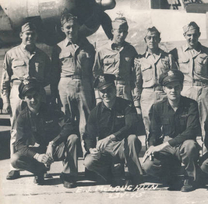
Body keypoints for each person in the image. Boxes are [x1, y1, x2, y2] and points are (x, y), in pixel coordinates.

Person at [1, 22, 51, 180]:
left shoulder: (43, 56)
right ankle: (13, 167)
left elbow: (48, 78)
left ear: (36, 36)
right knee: (16, 130)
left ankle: (41, 167)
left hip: (36, 94)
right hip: (17, 94)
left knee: (39, 131)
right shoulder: (11, 54)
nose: (30, 37)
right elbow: (5, 80)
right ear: (21, 35)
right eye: (27, 34)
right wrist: (6, 100)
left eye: (33, 34)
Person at [11, 78, 78, 188]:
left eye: (35, 95)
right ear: (23, 98)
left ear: (40, 95)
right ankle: (39, 171)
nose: (33, 100)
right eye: (29, 97)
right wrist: (37, 156)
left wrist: (54, 143)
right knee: (15, 159)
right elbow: (19, 144)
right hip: (39, 151)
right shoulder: (22, 117)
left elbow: (69, 124)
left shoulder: (50, 109)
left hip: (56, 148)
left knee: (73, 138)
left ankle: (68, 175)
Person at [142, 69, 201, 192]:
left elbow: (191, 130)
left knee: (190, 145)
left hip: (183, 144)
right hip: (167, 146)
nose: (173, 91)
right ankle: (169, 177)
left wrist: (164, 145)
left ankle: (190, 178)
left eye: (176, 87)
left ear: (181, 88)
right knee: (147, 165)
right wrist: (152, 146)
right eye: (169, 87)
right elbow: (153, 131)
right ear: (164, 89)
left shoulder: (191, 104)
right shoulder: (157, 107)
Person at [84, 74, 143, 187]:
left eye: (109, 90)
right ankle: (113, 174)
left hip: (123, 145)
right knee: (88, 161)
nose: (106, 94)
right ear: (99, 93)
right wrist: (91, 149)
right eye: (102, 91)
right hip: (106, 149)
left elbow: (131, 125)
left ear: (115, 89)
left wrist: (111, 137)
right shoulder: (95, 112)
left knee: (132, 138)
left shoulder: (126, 105)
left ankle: (134, 176)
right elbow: (88, 135)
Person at [52, 12, 96, 153]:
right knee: (67, 122)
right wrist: (54, 95)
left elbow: (93, 70)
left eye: (74, 26)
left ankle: (88, 154)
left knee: (86, 122)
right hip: (64, 84)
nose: (71, 30)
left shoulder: (88, 47)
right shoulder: (58, 48)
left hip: (83, 84)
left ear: (79, 27)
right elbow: (54, 73)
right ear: (62, 29)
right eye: (68, 27)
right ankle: (69, 157)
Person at [171, 21, 208, 141]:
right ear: (184, 36)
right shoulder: (177, 52)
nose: (192, 38)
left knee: (207, 124)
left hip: (204, 91)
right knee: (186, 123)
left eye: (195, 35)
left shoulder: (207, 52)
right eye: (189, 35)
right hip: (186, 90)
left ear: (199, 35)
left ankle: (207, 152)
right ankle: (188, 153)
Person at [133, 26, 176, 137]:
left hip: (163, 93)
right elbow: (137, 83)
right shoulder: (140, 60)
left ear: (159, 40)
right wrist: (137, 103)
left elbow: (173, 79)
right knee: (149, 126)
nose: (152, 40)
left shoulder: (168, 57)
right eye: (149, 38)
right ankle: (150, 151)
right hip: (147, 95)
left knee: (166, 123)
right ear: (145, 40)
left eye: (155, 38)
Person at [93, 17, 138, 103]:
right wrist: (98, 96)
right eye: (119, 31)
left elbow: (135, 74)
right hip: (108, 90)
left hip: (125, 91)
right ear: (112, 31)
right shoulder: (102, 50)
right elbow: (96, 73)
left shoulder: (131, 50)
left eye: (125, 32)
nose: (122, 35)